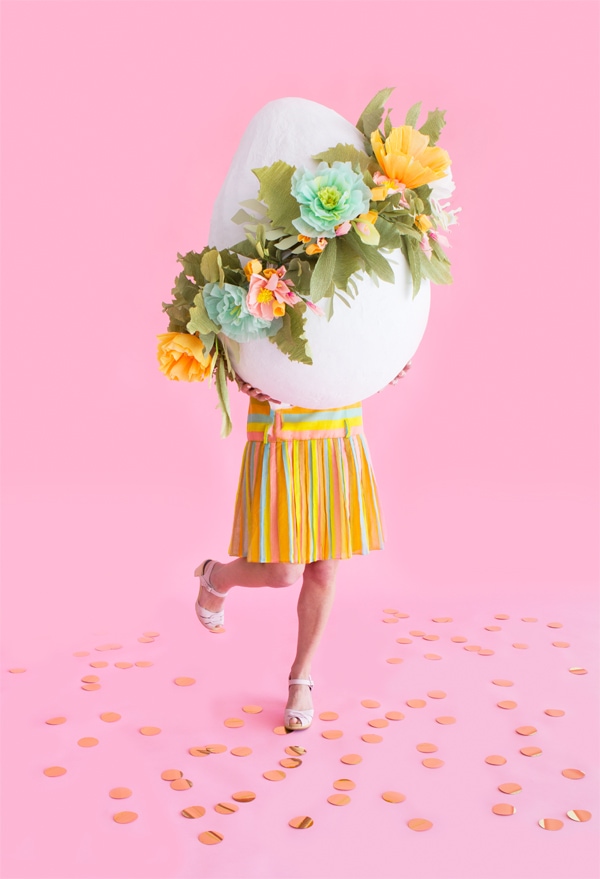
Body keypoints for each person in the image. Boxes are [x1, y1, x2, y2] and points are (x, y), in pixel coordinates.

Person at [194, 362, 412, 731]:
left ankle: (301, 677)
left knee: (325, 569)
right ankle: (217, 576)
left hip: (337, 430)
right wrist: (241, 372)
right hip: (281, 433)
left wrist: (382, 360)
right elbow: (229, 334)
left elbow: (360, 327)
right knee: (282, 573)